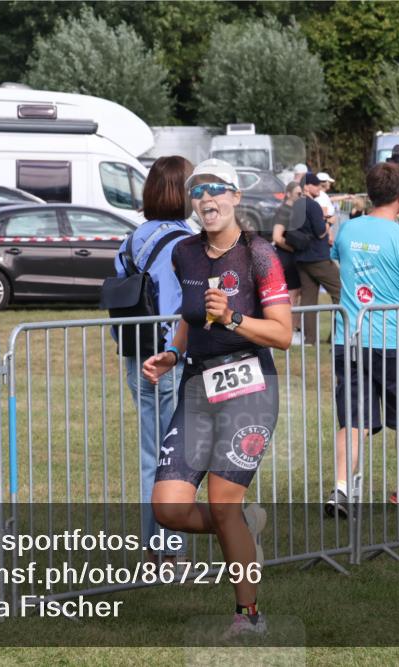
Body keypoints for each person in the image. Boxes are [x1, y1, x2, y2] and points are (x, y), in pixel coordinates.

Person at [144, 158, 292, 637]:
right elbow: (190, 315)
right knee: (168, 507)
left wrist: (231, 320)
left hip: (249, 387)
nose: (206, 199)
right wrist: (171, 352)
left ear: (235, 197)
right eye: (198, 192)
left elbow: (284, 334)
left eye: (216, 190)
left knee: (222, 502)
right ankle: (243, 526)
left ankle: (249, 616)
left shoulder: (259, 254)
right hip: (195, 385)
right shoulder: (184, 252)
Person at [326, 162, 399, 519]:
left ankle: (342, 489)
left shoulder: (347, 231)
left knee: (353, 423)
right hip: (393, 343)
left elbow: (340, 268)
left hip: (350, 338)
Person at [112, 155, 195, 564]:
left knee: (153, 453)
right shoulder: (184, 241)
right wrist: (172, 353)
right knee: (173, 455)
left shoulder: (132, 238)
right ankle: (170, 546)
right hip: (168, 358)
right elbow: (179, 305)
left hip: (135, 353)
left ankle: (155, 543)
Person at [294, 173, 342, 345]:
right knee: (340, 292)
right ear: (307, 186)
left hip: (300, 258)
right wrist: (329, 221)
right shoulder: (313, 206)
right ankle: (338, 336)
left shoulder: (295, 205)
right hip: (318, 258)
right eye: (316, 185)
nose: (319, 189)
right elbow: (321, 231)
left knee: (308, 299)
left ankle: (310, 339)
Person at [271, 181, 304, 344]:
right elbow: (277, 237)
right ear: (289, 193)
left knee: (295, 294)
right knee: (291, 295)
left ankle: (294, 329)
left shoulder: (293, 211)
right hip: (286, 257)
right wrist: (293, 250)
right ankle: (290, 331)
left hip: (290, 257)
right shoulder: (284, 211)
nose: (300, 197)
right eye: (298, 194)